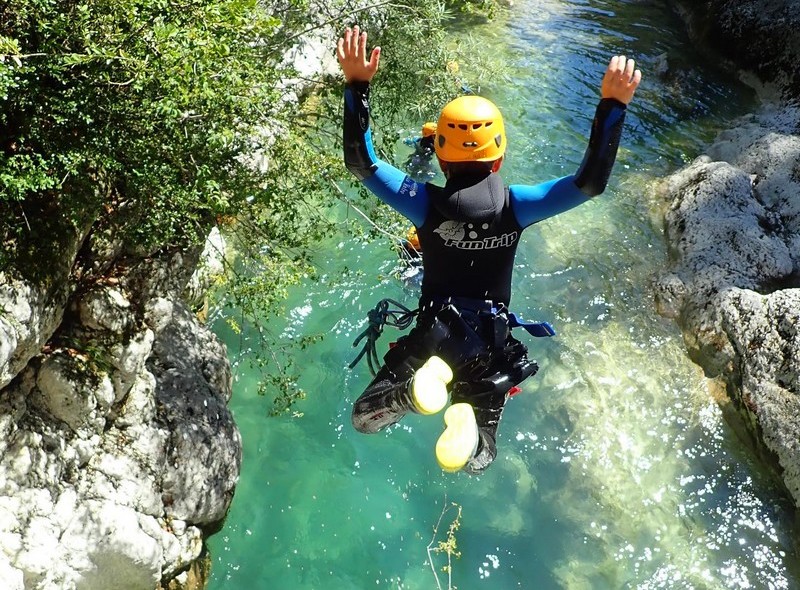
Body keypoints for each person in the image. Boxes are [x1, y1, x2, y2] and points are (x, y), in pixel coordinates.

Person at [337, 25, 641, 474]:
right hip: (490, 345)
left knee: (365, 417)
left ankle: (414, 392)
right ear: (498, 157)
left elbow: (362, 162)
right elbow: (589, 182)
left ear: (439, 156)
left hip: (433, 336)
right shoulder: (517, 206)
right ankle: (470, 417)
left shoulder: (425, 203)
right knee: (480, 459)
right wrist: (613, 104)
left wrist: (357, 85)